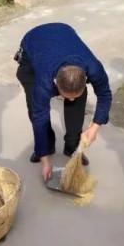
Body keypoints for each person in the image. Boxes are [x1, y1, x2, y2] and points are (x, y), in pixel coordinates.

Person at [15, 23, 112, 181]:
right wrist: (44, 159)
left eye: (76, 94)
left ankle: (72, 146)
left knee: (76, 102)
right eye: (66, 95)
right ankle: (47, 146)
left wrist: (95, 126)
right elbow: (40, 116)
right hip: (34, 43)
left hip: (63, 32)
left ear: (85, 78)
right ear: (55, 84)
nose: (71, 99)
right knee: (35, 105)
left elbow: (105, 95)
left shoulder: (93, 67)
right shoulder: (44, 80)